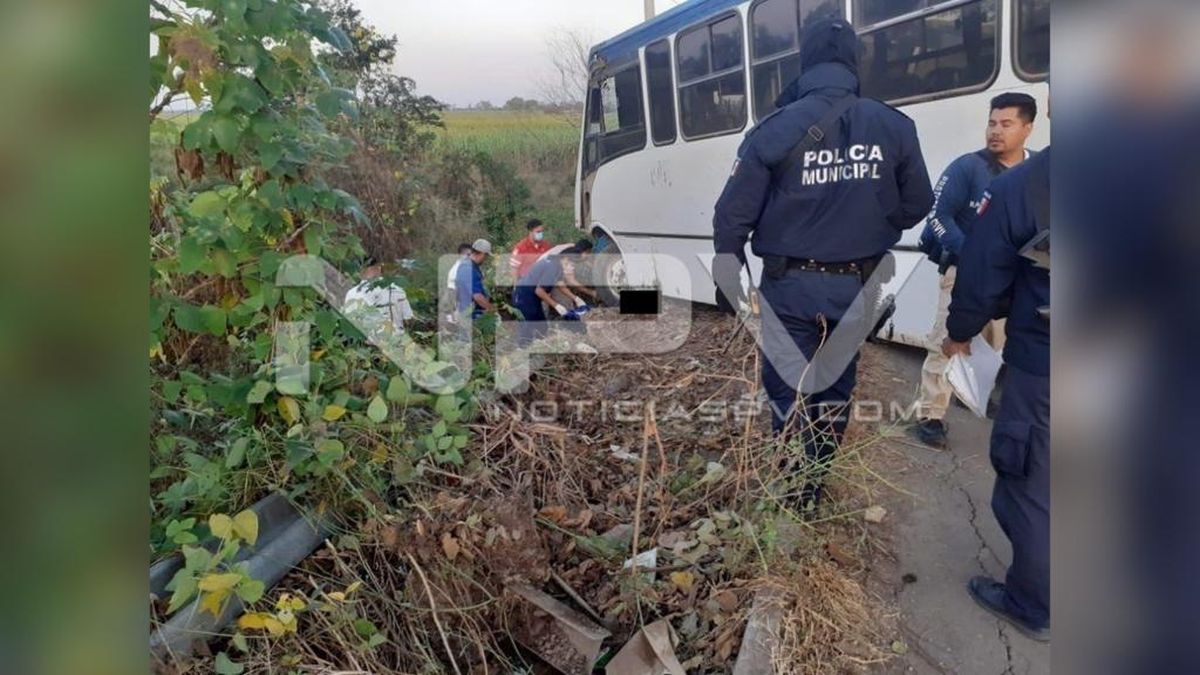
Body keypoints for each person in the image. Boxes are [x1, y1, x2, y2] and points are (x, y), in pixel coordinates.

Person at [712, 17, 933, 508]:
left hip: (789, 288)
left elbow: (732, 217)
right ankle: (813, 488)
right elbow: (918, 203)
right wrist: (874, 220)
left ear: (805, 60)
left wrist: (728, 277)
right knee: (834, 391)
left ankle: (791, 489)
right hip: (857, 286)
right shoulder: (894, 126)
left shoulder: (773, 129)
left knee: (786, 390)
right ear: (854, 61)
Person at [942, 147, 1050, 642]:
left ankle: (1032, 604)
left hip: (1049, 364)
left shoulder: (1029, 184)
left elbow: (983, 273)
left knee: (1034, 485)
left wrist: (960, 332)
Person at [911, 93, 1039, 448]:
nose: (995, 131)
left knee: (994, 346)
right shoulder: (967, 167)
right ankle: (930, 415)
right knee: (946, 343)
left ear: (1028, 128)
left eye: (1006, 124)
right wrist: (972, 255)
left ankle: (972, 394)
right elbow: (938, 216)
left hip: (1014, 280)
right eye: (992, 123)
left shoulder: (1037, 171)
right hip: (963, 274)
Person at [512, 239, 593, 346]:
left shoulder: (558, 265)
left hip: (532, 297)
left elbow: (561, 285)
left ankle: (537, 346)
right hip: (524, 296)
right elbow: (539, 290)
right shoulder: (552, 266)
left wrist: (576, 298)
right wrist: (556, 306)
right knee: (529, 327)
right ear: (565, 258)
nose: (571, 267)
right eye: (570, 263)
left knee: (542, 328)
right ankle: (523, 348)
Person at [344, 257, 414, 335]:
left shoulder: (353, 293)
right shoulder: (398, 291)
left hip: (368, 340)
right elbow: (408, 320)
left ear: (361, 269)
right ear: (379, 267)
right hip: (397, 339)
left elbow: (350, 323)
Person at [455, 239, 495, 319]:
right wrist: (492, 309)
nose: (485, 259)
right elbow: (477, 296)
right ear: (482, 254)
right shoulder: (468, 269)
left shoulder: (470, 265)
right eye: (486, 256)